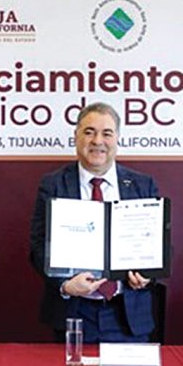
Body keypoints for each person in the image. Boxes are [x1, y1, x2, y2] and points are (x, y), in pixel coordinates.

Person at [29, 102, 158, 343]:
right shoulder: (53, 184)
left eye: (106, 133)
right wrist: (65, 285)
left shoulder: (143, 185)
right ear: (76, 136)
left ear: (117, 138)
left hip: (127, 314)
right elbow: (38, 246)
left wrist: (148, 274)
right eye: (89, 132)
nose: (98, 141)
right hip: (73, 311)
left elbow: (158, 245)